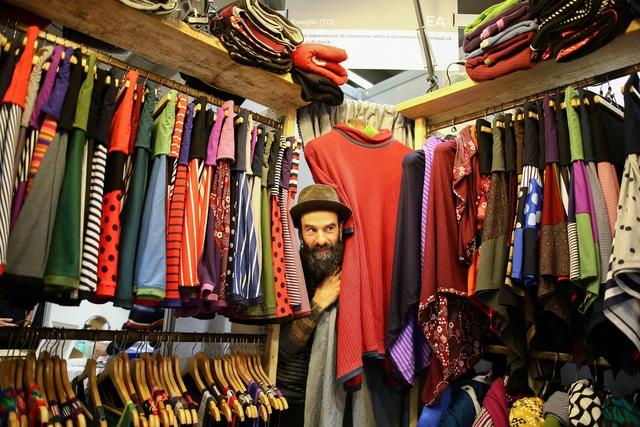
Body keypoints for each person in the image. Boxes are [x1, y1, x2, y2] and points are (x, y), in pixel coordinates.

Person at [276, 184, 352, 426]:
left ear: (341, 229)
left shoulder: (353, 269)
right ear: (299, 233)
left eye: (329, 228)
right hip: (289, 401)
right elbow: (281, 348)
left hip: (338, 400)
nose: (321, 240)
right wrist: (318, 303)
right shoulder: (287, 273)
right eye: (311, 230)